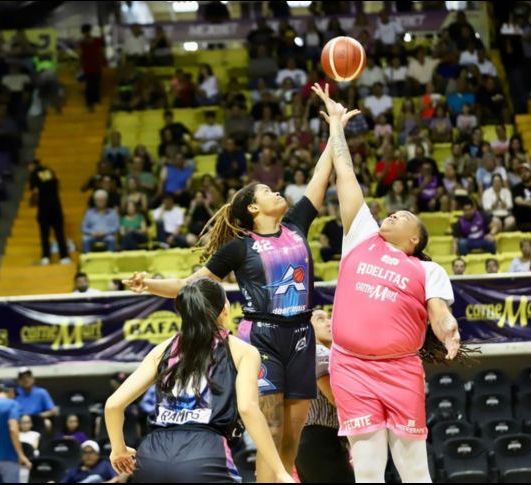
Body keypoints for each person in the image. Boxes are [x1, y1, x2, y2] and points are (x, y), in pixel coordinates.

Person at [123, 86, 343, 482]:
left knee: (292, 436)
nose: (278, 191)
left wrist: (336, 128)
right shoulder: (240, 249)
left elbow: (319, 178)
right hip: (263, 336)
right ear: (254, 209)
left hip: (301, 337)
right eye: (268, 191)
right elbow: (193, 286)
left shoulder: (295, 227)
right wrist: (150, 284)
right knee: (270, 431)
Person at [315, 84, 463, 482]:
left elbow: (439, 311)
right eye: (393, 212)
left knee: (414, 471)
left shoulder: (426, 270)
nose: (393, 215)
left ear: (414, 240)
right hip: (350, 366)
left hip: (399, 369)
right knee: (366, 471)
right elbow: (344, 174)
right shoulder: (361, 235)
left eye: (403, 216)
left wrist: (447, 326)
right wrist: (336, 127)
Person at [105, 279, 294, 483]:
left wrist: (118, 449)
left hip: (152, 454)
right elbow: (248, 409)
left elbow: (113, 405)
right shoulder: (242, 351)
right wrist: (280, 471)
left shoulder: (162, 350)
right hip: (205, 450)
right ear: (224, 310)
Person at [295, 309, 355, 483]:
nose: (329, 322)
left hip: (309, 443)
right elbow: (335, 397)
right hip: (321, 441)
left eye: (329, 318)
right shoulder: (319, 352)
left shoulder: (305, 355)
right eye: (320, 320)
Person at [0, 380, 32, 483]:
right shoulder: (12, 404)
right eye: (15, 394)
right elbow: (13, 428)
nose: (15, 396)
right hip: (9, 459)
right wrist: (21, 455)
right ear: (11, 391)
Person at [28, 160, 70, 265]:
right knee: (59, 233)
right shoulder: (50, 171)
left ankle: (46, 257)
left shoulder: (34, 174)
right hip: (56, 207)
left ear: (33, 165)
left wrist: (32, 200)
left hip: (44, 208)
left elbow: (35, 191)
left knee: (44, 234)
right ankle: (64, 257)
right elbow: (57, 184)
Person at [79, 24, 105, 111]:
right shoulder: (82, 43)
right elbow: (81, 56)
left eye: (88, 31)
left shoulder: (97, 41)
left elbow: (101, 52)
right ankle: (90, 103)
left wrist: (102, 62)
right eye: (85, 32)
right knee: (90, 85)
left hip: (95, 66)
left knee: (96, 84)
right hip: (88, 67)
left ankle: (96, 100)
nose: (87, 33)